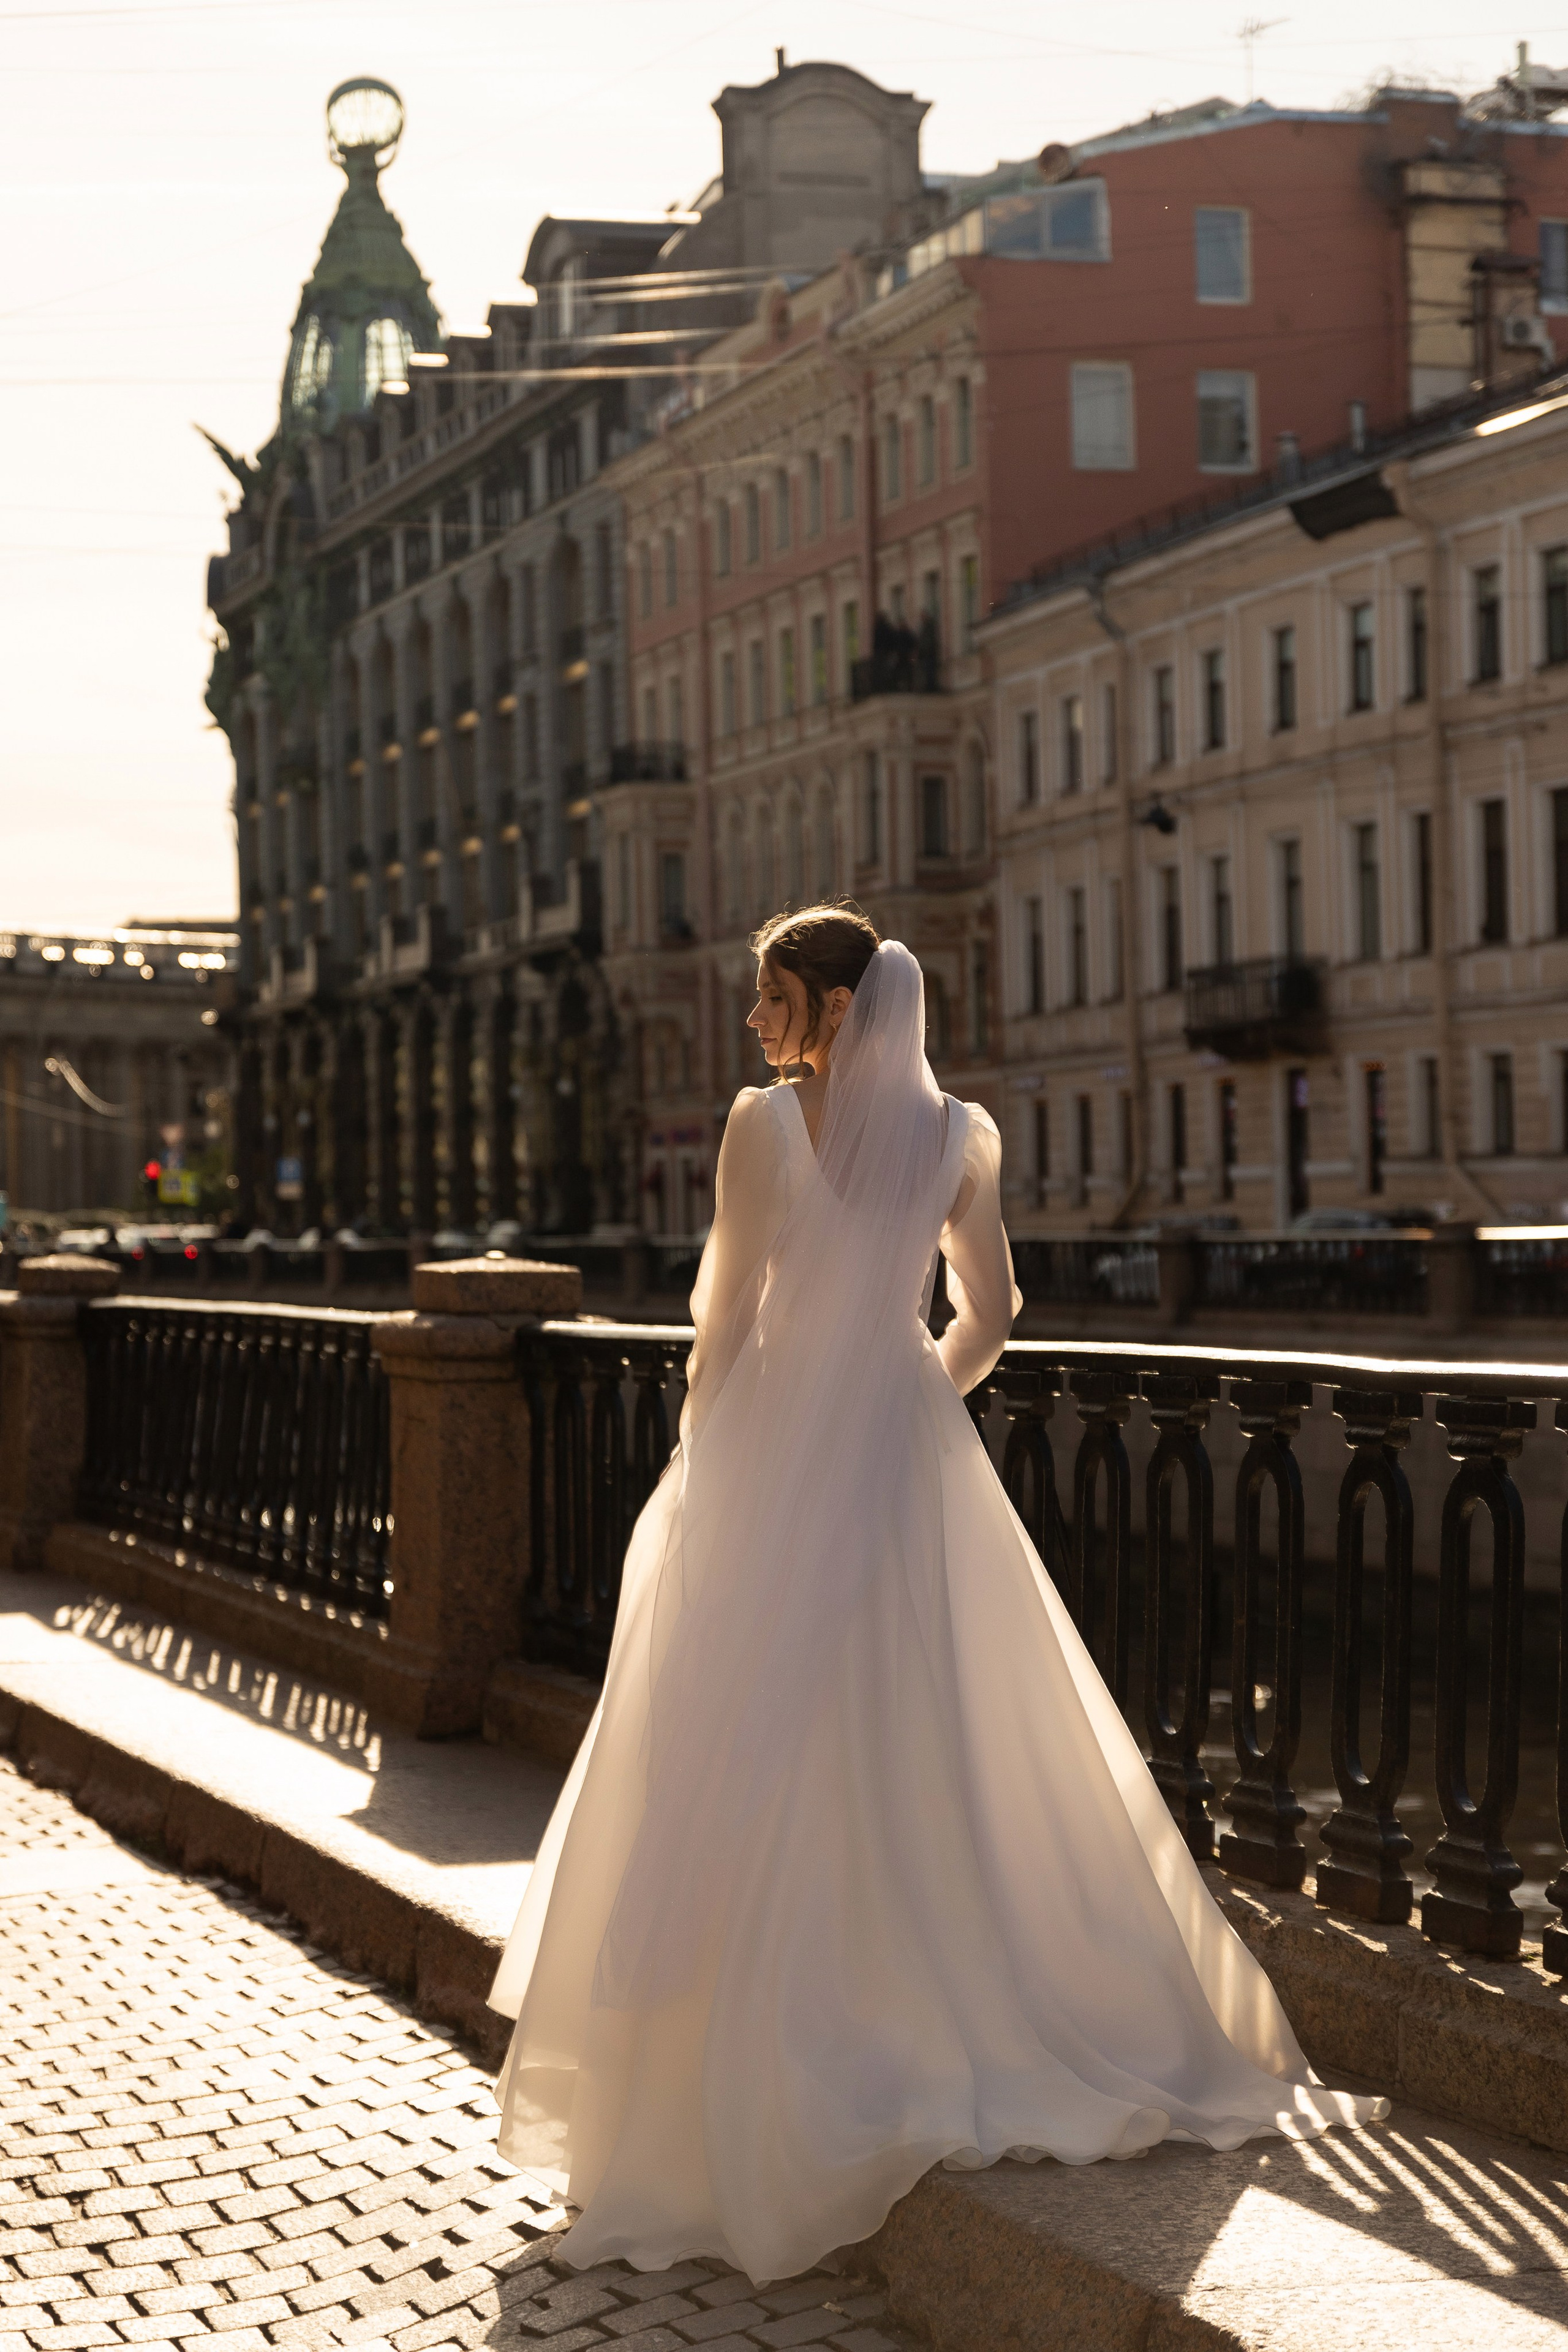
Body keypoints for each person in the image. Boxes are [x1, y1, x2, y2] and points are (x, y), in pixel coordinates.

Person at [488, 902, 1386, 2284]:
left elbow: (717, 1328)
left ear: (836, 1007)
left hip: (781, 1449)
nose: (752, 1019)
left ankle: (761, 2054)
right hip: (909, 1462)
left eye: (771, 994)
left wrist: (705, 1462)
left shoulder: (758, 1130)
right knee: (941, 1740)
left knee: (759, 1747)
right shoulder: (960, 1137)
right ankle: (962, 2012)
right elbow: (994, 1314)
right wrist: (907, 1393)